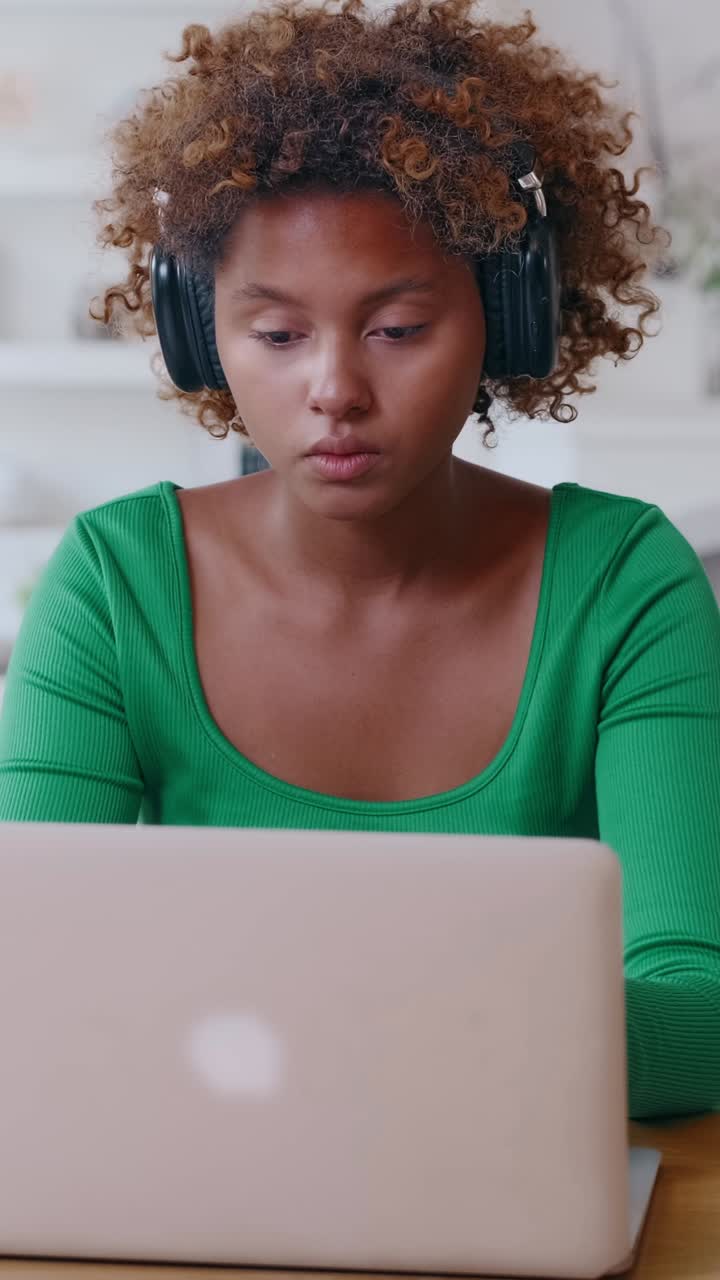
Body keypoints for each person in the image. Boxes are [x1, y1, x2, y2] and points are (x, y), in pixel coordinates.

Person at [0, 0, 718, 1122]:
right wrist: (458, 1023)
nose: (333, 389)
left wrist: (364, 1032)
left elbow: (701, 1011)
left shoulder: (626, 586)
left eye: (396, 328)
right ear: (203, 336)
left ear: (507, 321)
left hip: (500, 1179)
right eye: (277, 335)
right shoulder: (114, 584)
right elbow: (23, 974)